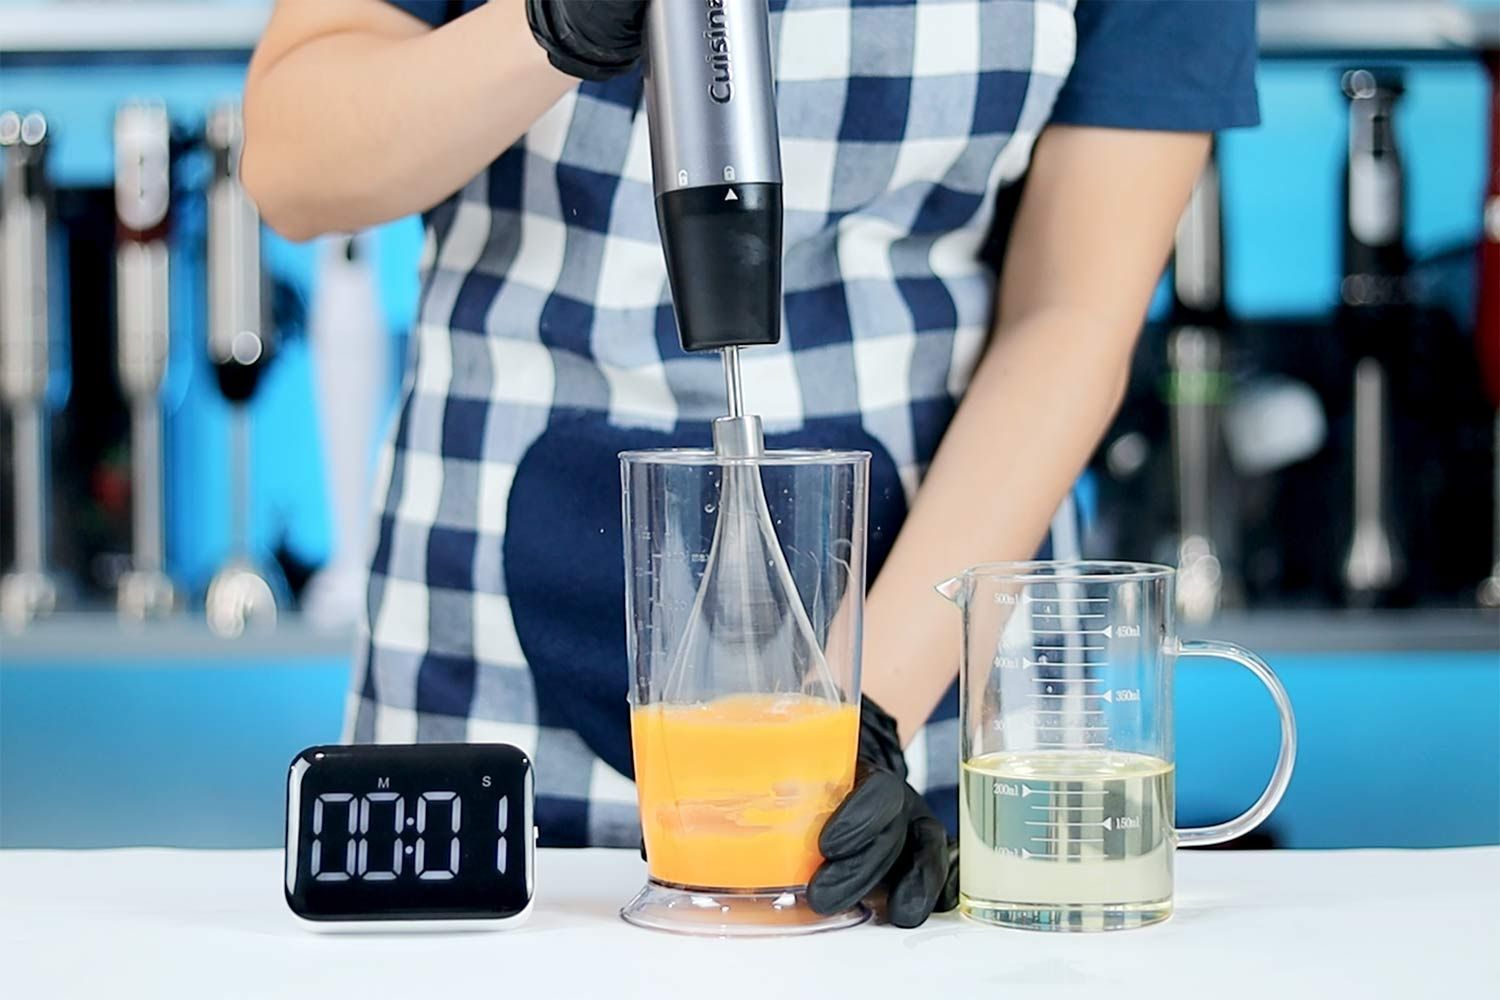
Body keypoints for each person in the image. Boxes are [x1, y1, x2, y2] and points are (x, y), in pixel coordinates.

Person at [242, 0, 1260, 927]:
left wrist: (866, 717)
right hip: (486, 647)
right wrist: (544, 26)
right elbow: (294, 161)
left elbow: (1074, 313)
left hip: (933, 624)